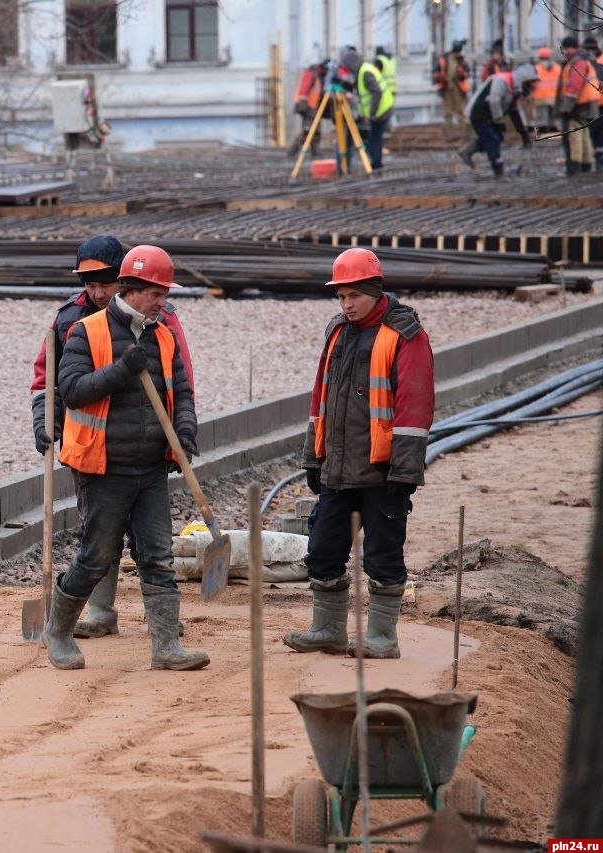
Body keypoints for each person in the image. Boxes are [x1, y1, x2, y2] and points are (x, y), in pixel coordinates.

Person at [44, 245, 207, 672]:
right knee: (95, 556)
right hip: (105, 467)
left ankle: (166, 646)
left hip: (152, 466)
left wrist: (185, 431)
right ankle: (58, 631)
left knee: (157, 556)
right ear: (133, 291)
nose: (162, 302)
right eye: (157, 293)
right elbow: (73, 390)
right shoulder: (87, 332)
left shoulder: (163, 334)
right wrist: (121, 369)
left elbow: (182, 392)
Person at [283, 248, 434, 660]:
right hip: (339, 467)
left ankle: (383, 637)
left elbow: (414, 406)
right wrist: (313, 458)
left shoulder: (405, 333)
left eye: (354, 297)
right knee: (323, 549)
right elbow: (321, 399)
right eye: (341, 297)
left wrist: (405, 470)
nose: (347, 305)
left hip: (384, 472)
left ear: (374, 290)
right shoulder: (338, 331)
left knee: (384, 555)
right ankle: (328, 630)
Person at [458, 63, 538, 177]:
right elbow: (494, 101)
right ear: (523, 81)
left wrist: (523, 133)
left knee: (496, 137)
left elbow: (514, 112)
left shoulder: (514, 90)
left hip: (490, 115)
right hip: (478, 113)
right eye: (529, 85)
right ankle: (498, 170)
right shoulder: (502, 81)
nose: (530, 89)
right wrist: (498, 120)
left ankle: (467, 152)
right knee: (492, 140)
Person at [557, 36, 600, 175]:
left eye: (565, 48)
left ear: (570, 48)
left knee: (575, 137)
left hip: (579, 106)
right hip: (588, 105)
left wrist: (566, 108)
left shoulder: (577, 61)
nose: (564, 51)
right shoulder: (584, 59)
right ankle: (586, 165)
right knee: (584, 135)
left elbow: (574, 87)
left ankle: (575, 168)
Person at [352, 47, 393, 169]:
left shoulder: (365, 72)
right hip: (382, 108)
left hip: (380, 110)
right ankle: (376, 163)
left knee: (374, 138)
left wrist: (372, 113)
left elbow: (376, 92)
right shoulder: (366, 69)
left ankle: (375, 164)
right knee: (375, 137)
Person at [289, 60, 328, 155]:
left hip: (313, 107)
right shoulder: (311, 73)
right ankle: (293, 151)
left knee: (315, 131)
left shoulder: (318, 75)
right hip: (308, 107)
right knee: (307, 131)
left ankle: (315, 151)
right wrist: (303, 105)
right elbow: (304, 89)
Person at [434, 40, 471, 130]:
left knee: (459, 108)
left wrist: (463, 74)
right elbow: (435, 72)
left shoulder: (462, 60)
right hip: (445, 86)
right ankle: (449, 127)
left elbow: (467, 72)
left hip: (458, 86)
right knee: (448, 109)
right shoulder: (444, 59)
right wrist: (440, 77)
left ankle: (461, 127)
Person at [533, 46, 562, 132]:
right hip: (555, 97)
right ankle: (554, 131)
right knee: (555, 119)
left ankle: (544, 131)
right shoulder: (558, 67)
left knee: (542, 120)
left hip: (540, 97)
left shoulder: (536, 68)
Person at [584, 37, 603, 169]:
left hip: (598, 102)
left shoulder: (597, 63)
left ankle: (599, 154)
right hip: (597, 101)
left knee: (597, 131)